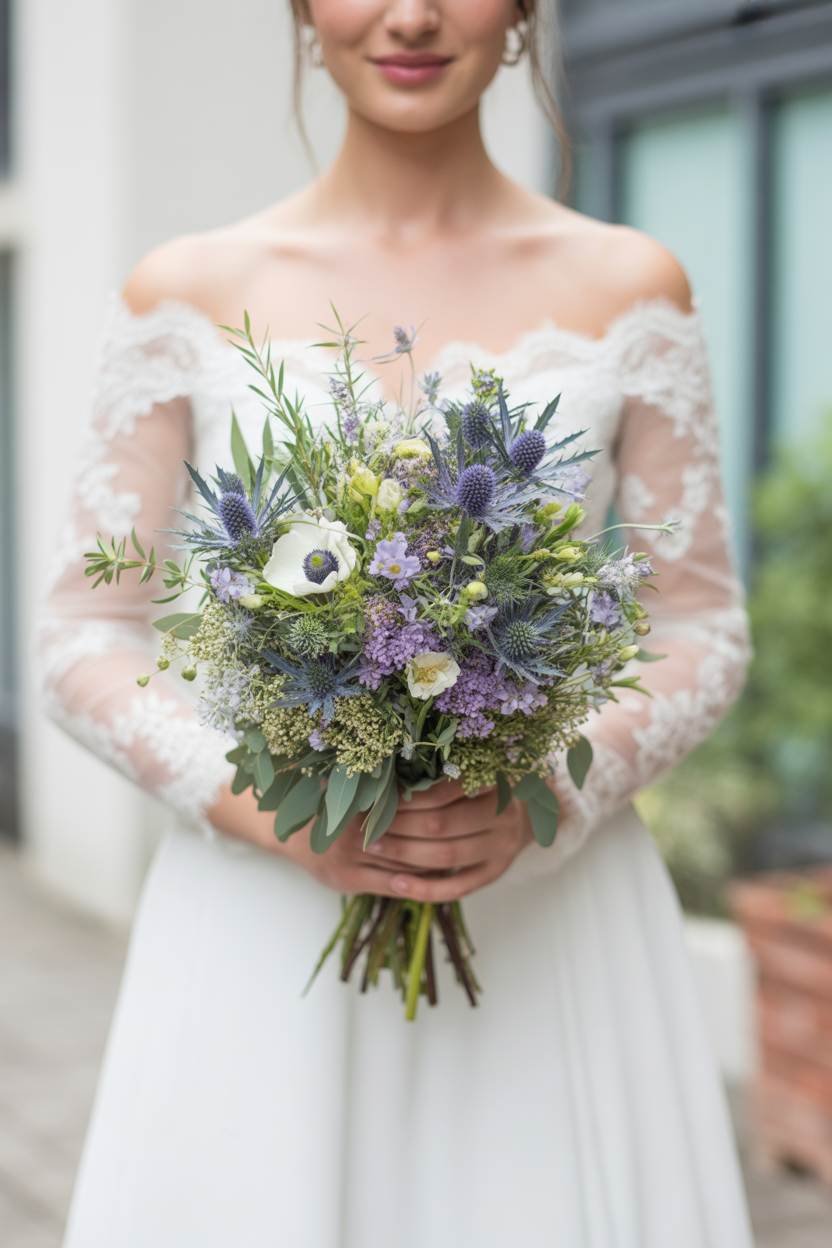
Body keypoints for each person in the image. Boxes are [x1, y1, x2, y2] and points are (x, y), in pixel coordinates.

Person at [41, 2, 755, 1244]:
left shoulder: (629, 286)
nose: (413, 14)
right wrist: (270, 808)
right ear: (305, 7)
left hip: (551, 911)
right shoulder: (187, 292)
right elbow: (79, 638)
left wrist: (546, 794)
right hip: (258, 917)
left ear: (527, 9)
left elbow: (699, 623)